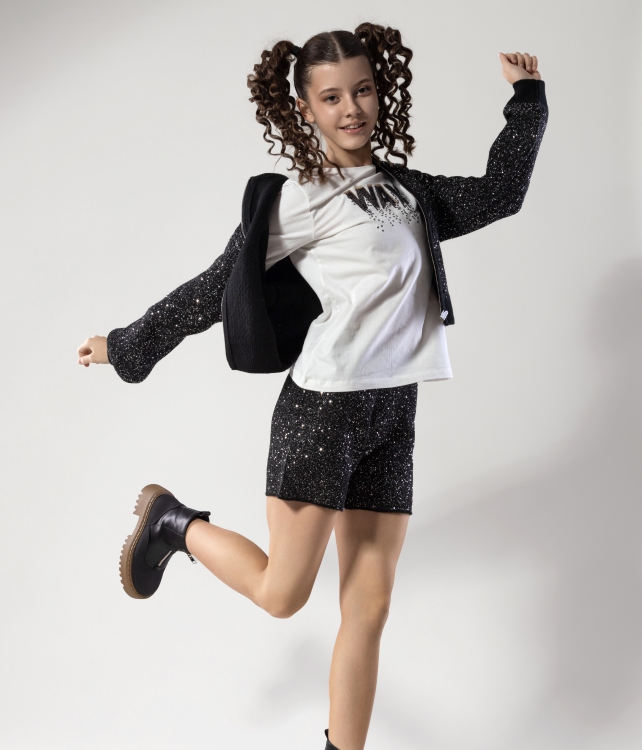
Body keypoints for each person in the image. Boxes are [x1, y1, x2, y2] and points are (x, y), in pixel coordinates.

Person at [77, 23, 548, 750]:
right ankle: (173, 523)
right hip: (323, 414)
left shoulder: (406, 190)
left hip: (394, 410)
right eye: (332, 97)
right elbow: (216, 286)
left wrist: (529, 100)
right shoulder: (300, 199)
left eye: (362, 90)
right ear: (305, 109)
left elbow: (502, 194)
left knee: (369, 609)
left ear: (379, 94)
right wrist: (128, 346)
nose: (351, 108)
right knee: (283, 595)